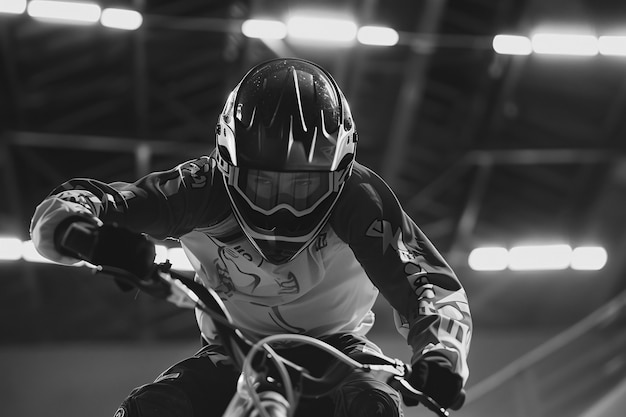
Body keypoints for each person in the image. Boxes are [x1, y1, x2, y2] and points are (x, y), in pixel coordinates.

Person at [30, 58, 472, 417]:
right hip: (231, 349)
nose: (281, 211)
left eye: (302, 188)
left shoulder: (362, 200)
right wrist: (89, 235)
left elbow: (428, 287)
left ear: (340, 174)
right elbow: (81, 202)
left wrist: (441, 356)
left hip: (339, 351)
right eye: (264, 185)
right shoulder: (198, 189)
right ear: (225, 165)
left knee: (371, 407)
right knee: (149, 411)